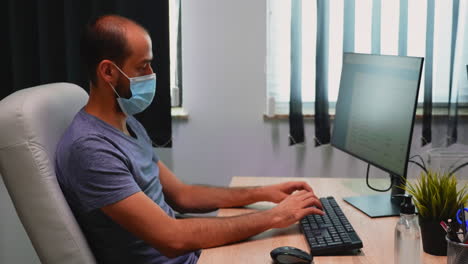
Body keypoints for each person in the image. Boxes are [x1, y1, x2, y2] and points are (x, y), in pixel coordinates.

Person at [55, 14, 324, 264]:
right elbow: (173, 238)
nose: (151, 74)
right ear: (108, 72)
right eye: (142, 66)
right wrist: (275, 216)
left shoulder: (127, 122)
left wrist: (264, 193)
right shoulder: (91, 150)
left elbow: (183, 195)